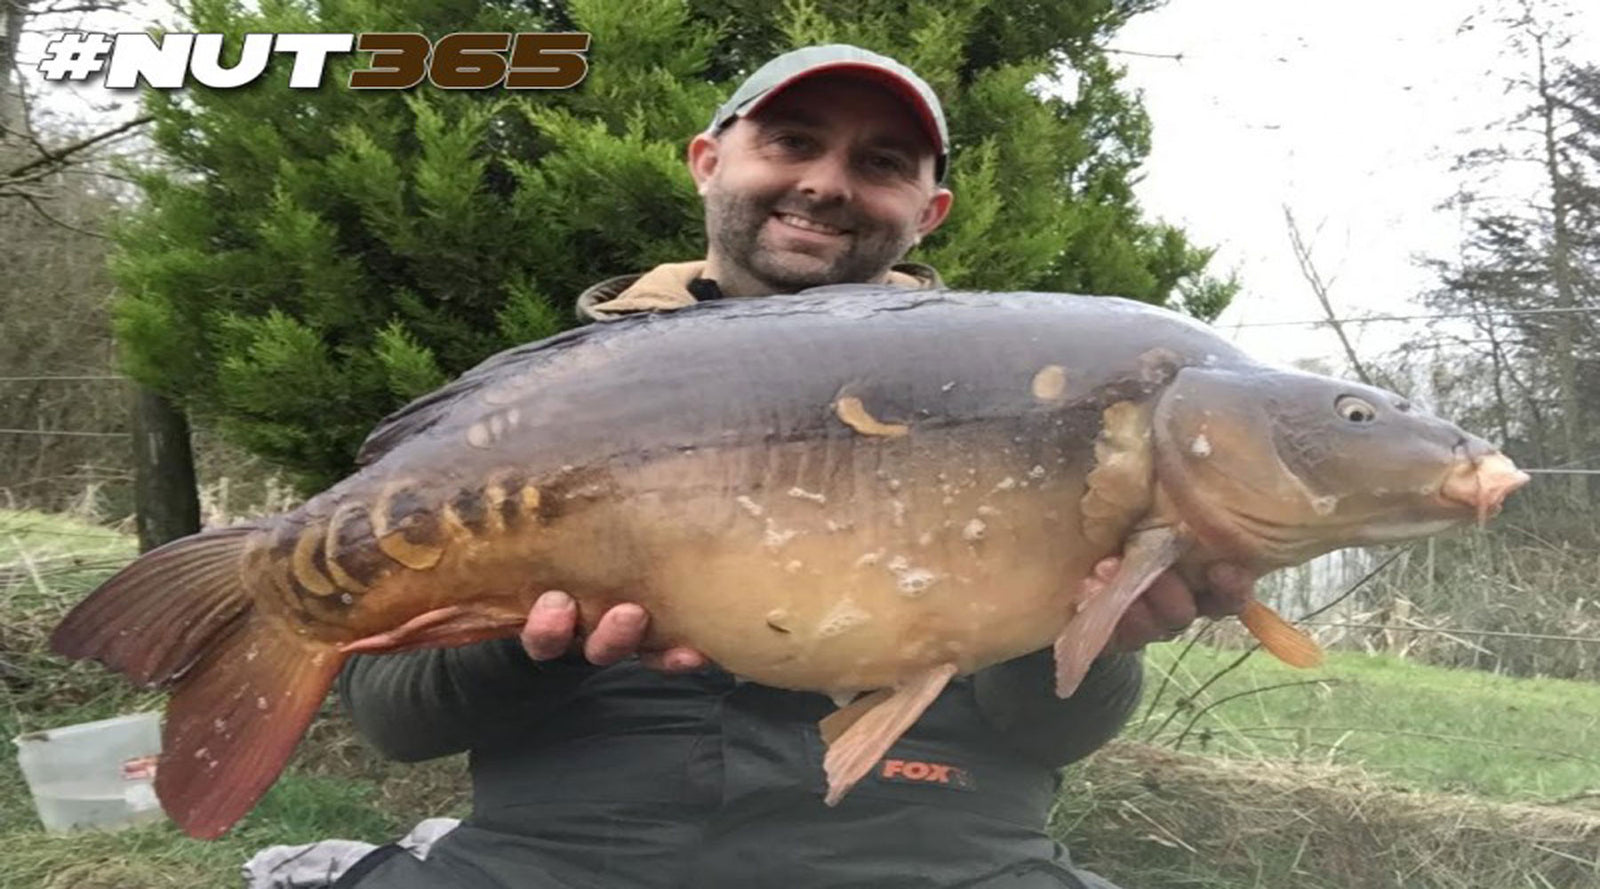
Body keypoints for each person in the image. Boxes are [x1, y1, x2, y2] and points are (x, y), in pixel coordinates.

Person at [327, 44, 1254, 889]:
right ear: (708, 162)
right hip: (568, 853)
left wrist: (1102, 631)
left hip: (937, 853)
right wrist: (527, 630)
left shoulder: (1043, 399)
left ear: (928, 212)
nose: (825, 183)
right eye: (791, 141)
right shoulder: (533, 404)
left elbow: (1053, 733)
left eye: (880, 163)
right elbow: (395, 721)